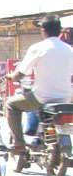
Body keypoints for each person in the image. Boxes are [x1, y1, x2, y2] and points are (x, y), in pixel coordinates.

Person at [6, 14, 73, 153]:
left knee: (11, 105)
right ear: (60, 31)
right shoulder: (69, 50)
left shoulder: (38, 48)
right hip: (66, 98)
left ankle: (19, 144)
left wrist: (11, 77)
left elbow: (21, 73)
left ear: (43, 30)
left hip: (42, 97)